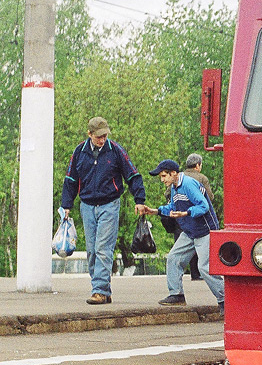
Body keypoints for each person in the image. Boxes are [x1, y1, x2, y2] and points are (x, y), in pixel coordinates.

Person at [60, 117, 149, 304]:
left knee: (103, 248)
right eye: (99, 136)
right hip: (87, 205)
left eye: (105, 135)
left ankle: (99, 290)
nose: (102, 139)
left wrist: (139, 199)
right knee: (92, 250)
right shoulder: (79, 152)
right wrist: (66, 205)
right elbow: (70, 180)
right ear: (90, 134)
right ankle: (103, 290)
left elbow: (132, 174)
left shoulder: (115, 150)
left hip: (109, 204)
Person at [140, 159, 224, 313]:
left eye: (164, 176)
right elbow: (173, 207)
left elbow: (203, 206)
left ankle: (225, 300)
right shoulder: (174, 187)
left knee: (204, 267)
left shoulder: (189, 184)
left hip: (205, 230)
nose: (162, 179)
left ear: (174, 173)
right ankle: (176, 295)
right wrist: (155, 211)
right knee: (174, 258)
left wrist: (186, 213)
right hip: (190, 231)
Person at [182, 153, 215, 280]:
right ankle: (200, 273)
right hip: (197, 217)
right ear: (197, 165)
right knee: (199, 245)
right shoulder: (202, 178)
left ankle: (193, 273)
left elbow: (168, 193)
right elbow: (210, 197)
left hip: (181, 217)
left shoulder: (180, 177)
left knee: (184, 246)